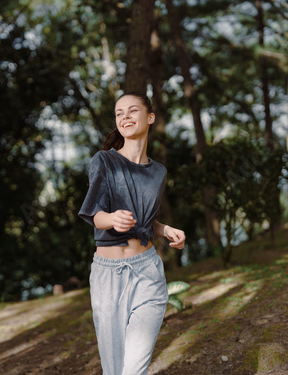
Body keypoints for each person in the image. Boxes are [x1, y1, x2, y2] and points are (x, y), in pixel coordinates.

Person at [78, 91, 186, 375]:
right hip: (108, 276)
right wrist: (112, 218)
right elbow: (94, 215)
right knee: (115, 369)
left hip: (148, 271)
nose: (125, 117)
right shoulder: (104, 161)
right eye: (119, 113)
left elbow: (147, 222)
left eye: (132, 111)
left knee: (134, 368)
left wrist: (166, 229)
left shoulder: (158, 172)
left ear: (149, 117)